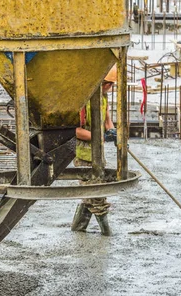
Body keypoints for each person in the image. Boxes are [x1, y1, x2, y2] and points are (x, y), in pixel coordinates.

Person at [71, 66, 118, 236]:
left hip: (98, 154)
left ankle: (78, 228)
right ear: (103, 83)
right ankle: (107, 233)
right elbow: (74, 130)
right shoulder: (82, 101)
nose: (110, 88)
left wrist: (113, 132)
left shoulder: (103, 98)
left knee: (92, 191)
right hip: (83, 155)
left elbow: (107, 120)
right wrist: (98, 136)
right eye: (110, 85)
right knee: (97, 194)